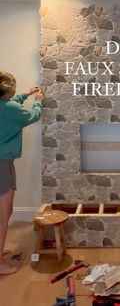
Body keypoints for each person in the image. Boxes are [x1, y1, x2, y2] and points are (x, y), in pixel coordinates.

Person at [0, 71, 44, 274]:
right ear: (8, 90)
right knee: (3, 213)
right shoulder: (11, 109)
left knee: (3, 212)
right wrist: (38, 101)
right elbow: (32, 115)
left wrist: (26, 95)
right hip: (2, 164)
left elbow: (10, 105)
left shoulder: (6, 106)